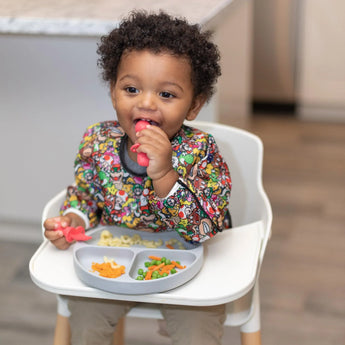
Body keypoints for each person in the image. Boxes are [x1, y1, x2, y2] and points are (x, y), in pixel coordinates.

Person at [44, 10, 232, 345]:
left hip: (188, 265)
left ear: (194, 106)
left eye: (167, 94)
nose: (146, 103)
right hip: (114, 263)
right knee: (85, 324)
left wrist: (164, 173)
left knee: (198, 332)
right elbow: (86, 195)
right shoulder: (97, 142)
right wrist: (72, 220)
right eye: (131, 88)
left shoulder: (200, 151)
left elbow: (204, 227)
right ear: (113, 92)